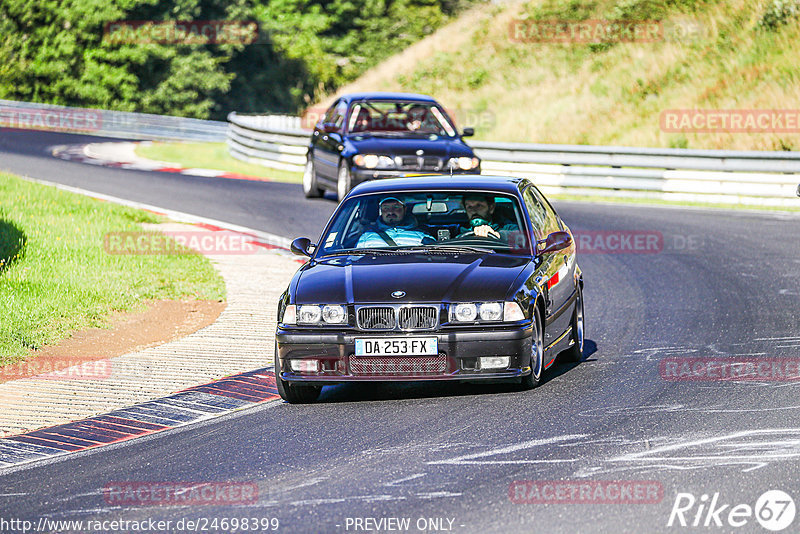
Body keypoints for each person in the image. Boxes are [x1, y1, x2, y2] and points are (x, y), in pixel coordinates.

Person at [356, 197, 435, 248]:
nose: (390, 212)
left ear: (405, 209)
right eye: (386, 208)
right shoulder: (366, 237)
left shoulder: (422, 236)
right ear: (381, 211)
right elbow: (356, 262)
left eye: (396, 207)